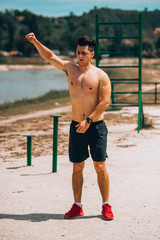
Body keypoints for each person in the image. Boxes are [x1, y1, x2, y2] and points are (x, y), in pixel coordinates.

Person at [25, 33, 114, 220]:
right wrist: (35, 42)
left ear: (92, 54)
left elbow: (105, 102)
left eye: (83, 53)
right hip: (76, 126)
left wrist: (88, 120)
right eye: (78, 52)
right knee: (77, 167)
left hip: (95, 126)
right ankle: (77, 205)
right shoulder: (69, 69)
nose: (79, 56)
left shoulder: (101, 76)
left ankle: (106, 205)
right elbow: (50, 56)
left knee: (99, 166)